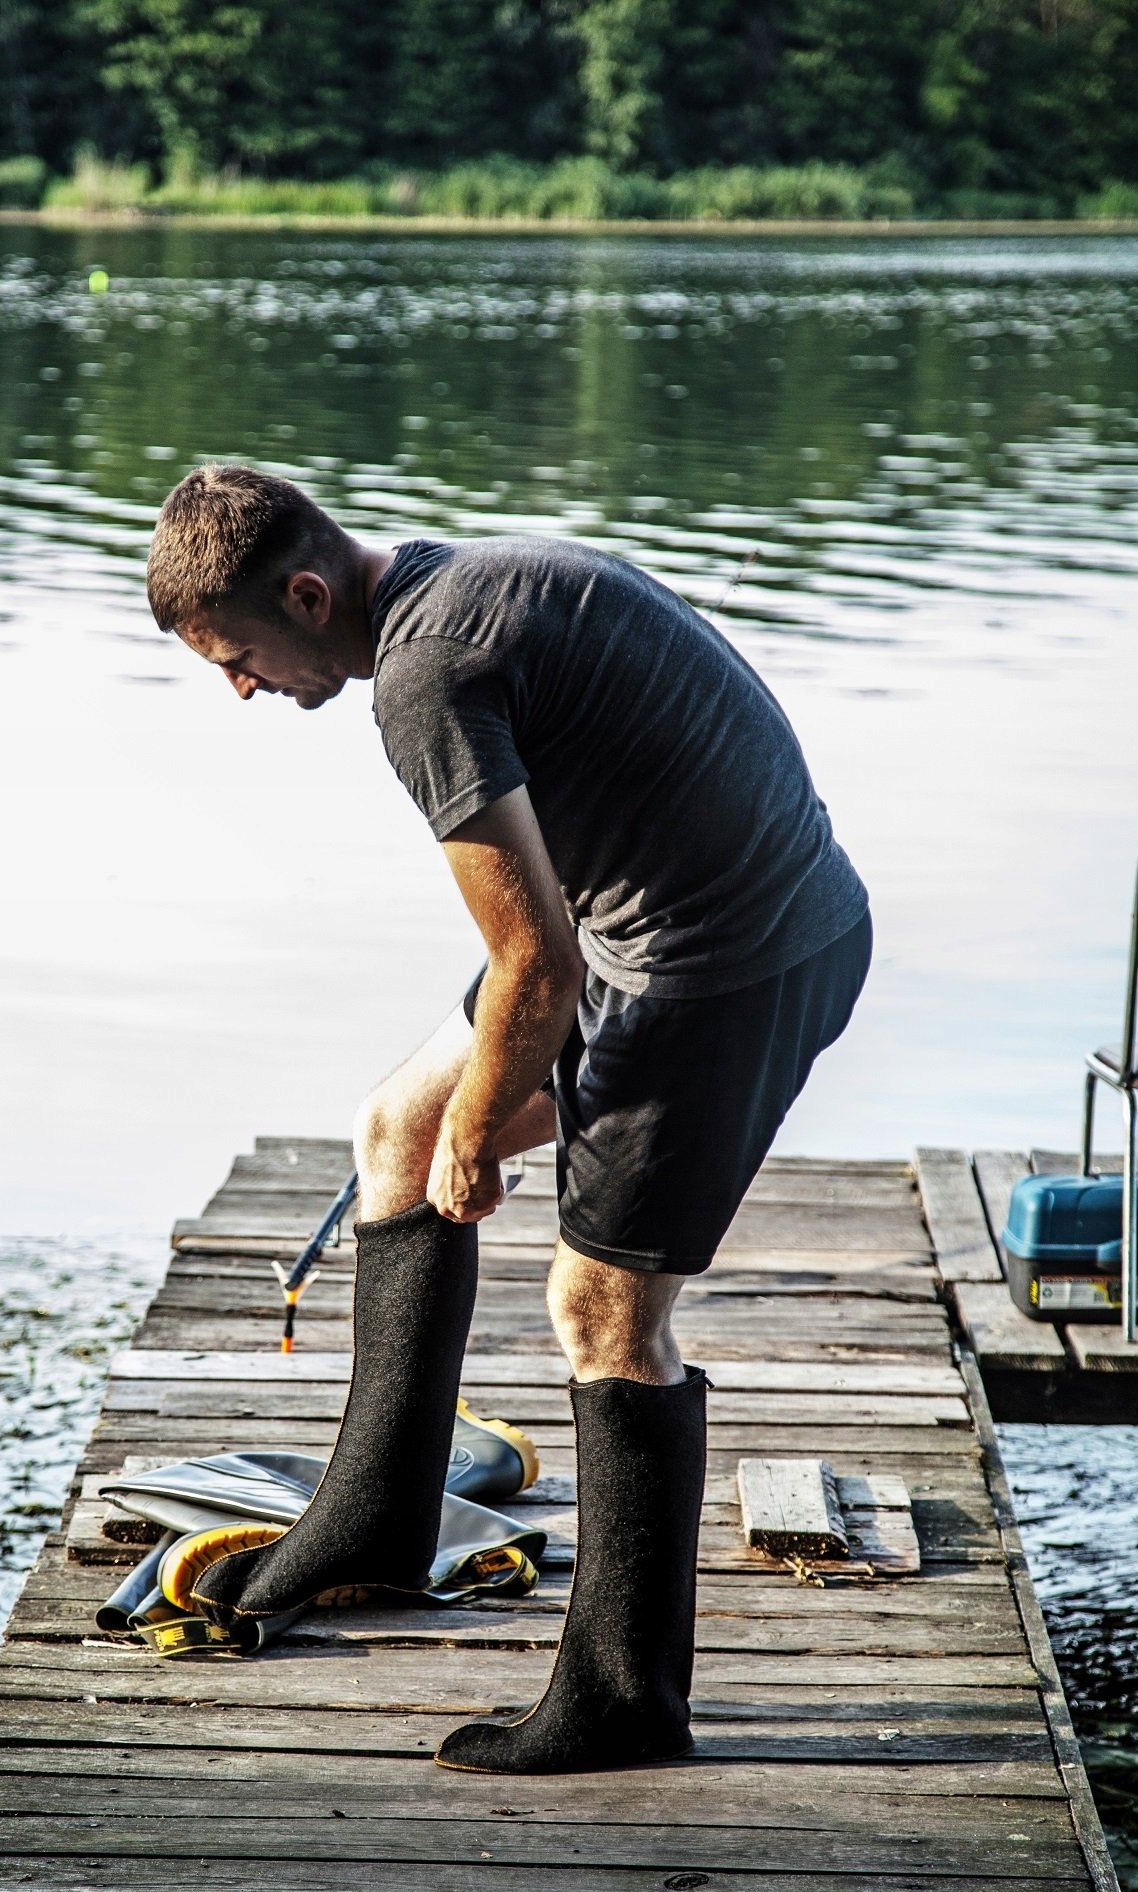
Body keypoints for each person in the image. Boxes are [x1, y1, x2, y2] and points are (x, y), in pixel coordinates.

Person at [145, 464, 870, 1776]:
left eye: (239, 657)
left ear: (306, 597)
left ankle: (620, 1699)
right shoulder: (460, 580)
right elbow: (546, 941)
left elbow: (536, 969)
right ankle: (376, 1513)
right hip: (646, 924)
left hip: (728, 963)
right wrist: (457, 1122)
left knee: (600, 1308)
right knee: (397, 1127)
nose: (242, 689)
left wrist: (485, 1135)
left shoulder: (424, 676)